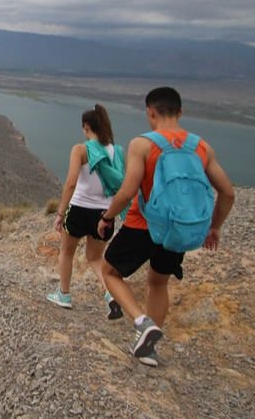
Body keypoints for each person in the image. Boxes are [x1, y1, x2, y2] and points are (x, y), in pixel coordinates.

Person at [97, 87, 235, 367]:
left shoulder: (143, 144)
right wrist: (214, 227)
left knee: (109, 271)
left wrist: (107, 217)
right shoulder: (201, 147)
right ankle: (147, 349)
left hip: (143, 225)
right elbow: (228, 193)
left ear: (150, 112)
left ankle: (141, 321)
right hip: (179, 229)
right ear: (180, 112)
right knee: (159, 281)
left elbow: (127, 191)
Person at [46, 105, 125, 320]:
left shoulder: (81, 150)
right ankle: (111, 295)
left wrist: (60, 213)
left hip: (80, 209)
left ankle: (63, 295)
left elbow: (71, 183)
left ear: (87, 127)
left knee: (67, 252)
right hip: (105, 213)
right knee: (95, 258)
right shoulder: (116, 151)